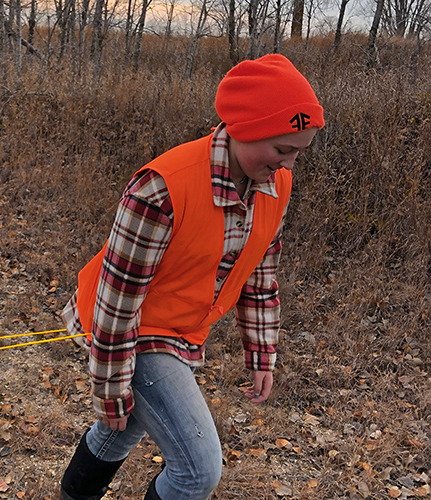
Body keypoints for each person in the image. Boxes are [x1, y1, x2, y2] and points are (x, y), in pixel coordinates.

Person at [58, 54, 325, 500]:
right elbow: (117, 302)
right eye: (282, 149)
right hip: (132, 329)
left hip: (181, 330)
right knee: (198, 470)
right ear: (245, 129)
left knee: (122, 429)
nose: (289, 165)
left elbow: (260, 274)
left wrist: (262, 353)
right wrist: (110, 384)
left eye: (299, 151)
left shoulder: (275, 185)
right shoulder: (160, 188)